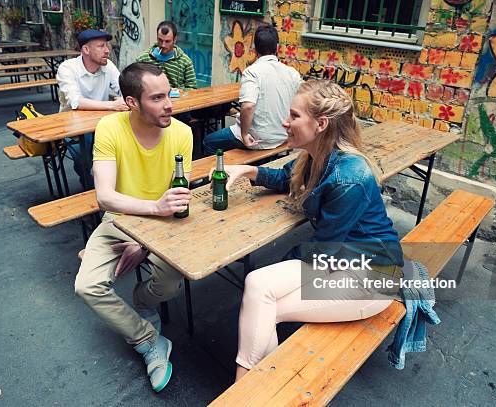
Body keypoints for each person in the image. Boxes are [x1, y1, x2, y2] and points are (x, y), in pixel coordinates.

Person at [218, 80, 405, 382]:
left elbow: (322, 252)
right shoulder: (316, 154)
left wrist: (276, 268)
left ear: (320, 124)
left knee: (259, 286)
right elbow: (285, 176)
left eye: (293, 115)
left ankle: (243, 388)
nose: (285, 121)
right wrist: (248, 171)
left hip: (372, 277)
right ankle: (258, 389)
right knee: (263, 305)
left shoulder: (349, 176)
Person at [74, 62, 193, 392]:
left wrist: (144, 244)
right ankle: (149, 340)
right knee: (87, 285)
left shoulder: (182, 133)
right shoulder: (110, 127)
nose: (168, 103)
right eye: (156, 98)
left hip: (163, 226)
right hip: (119, 221)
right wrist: (151, 211)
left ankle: (143, 301)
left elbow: (177, 200)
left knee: (169, 284)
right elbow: (105, 197)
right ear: (132, 103)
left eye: (168, 94)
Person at [202, 23, 301, 156]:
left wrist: (244, 134)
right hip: (282, 135)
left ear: (254, 49)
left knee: (208, 141)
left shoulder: (252, 72)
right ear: (277, 47)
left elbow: (248, 106)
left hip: (258, 138)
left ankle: (219, 175)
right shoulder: (292, 73)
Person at [56, 29, 129, 188]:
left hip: (101, 123)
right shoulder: (67, 68)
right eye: (101, 46)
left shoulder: (108, 65)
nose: (107, 50)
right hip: (72, 127)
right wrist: (112, 105)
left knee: (126, 142)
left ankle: (120, 187)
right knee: (86, 159)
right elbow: (76, 102)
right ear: (86, 50)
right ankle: (94, 195)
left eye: (106, 45)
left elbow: (124, 88)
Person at [135, 21, 197, 91]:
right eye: (160, 40)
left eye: (167, 41)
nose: (163, 45)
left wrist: (179, 91)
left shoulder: (185, 61)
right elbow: (134, 84)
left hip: (175, 100)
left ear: (175, 39)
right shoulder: (142, 59)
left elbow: (192, 89)